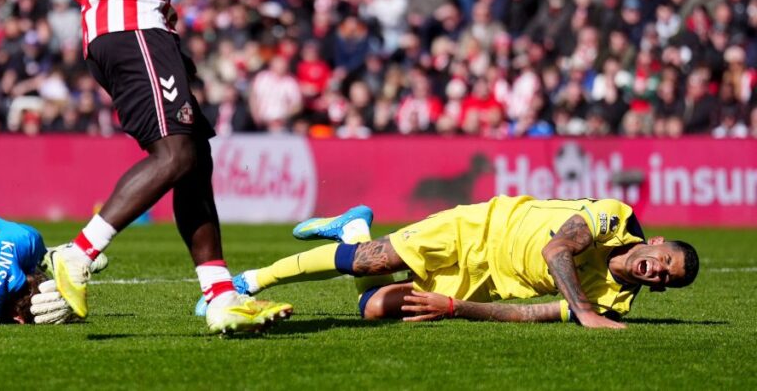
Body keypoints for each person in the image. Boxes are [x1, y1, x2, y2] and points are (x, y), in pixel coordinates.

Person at [47, 0, 292, 333]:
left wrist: (155, 9)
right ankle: (78, 254)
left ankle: (221, 294)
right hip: (134, 30)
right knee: (176, 153)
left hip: (121, 31)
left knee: (194, 158)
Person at [208, 196, 700, 329]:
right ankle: (246, 283)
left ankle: (353, 224)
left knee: (373, 308)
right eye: (664, 258)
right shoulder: (614, 218)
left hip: (488, 283)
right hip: (479, 228)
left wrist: (454, 307)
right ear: (653, 241)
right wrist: (585, 312)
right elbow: (557, 251)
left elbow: (533, 313)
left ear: (658, 287)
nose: (657, 269)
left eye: (665, 277)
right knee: (366, 263)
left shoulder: (616, 302)